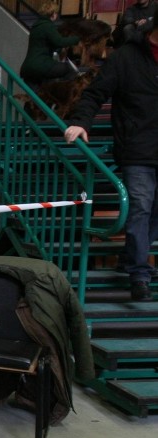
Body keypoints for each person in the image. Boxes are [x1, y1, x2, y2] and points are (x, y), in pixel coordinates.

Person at [64, 23, 158, 301]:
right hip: (136, 149)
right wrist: (81, 122)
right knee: (140, 206)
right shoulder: (125, 57)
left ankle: (131, 258)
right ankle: (139, 275)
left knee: (153, 212)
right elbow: (95, 93)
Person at [19, 1, 81, 91]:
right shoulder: (48, 26)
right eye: (56, 13)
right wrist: (77, 39)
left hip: (28, 69)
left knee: (36, 99)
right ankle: (63, 96)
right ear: (53, 14)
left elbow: (47, 44)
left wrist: (60, 50)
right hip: (41, 65)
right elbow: (59, 42)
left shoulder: (36, 26)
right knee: (69, 70)